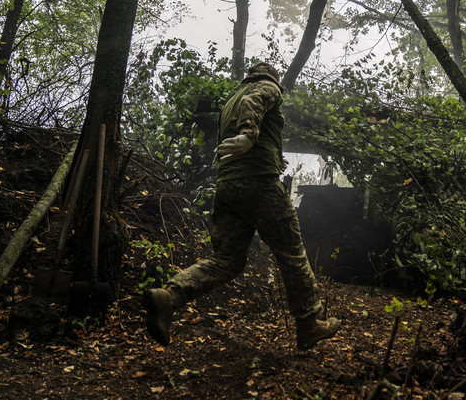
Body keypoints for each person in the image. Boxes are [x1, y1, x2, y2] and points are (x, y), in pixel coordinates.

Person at [142, 62, 340, 350]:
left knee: (227, 260)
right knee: (292, 253)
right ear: (270, 78)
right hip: (259, 187)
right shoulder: (265, 87)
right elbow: (254, 102)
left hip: (228, 188)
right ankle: (309, 324)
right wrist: (249, 135)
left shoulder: (229, 103)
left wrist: (269, 155)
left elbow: (245, 131)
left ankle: (169, 296)